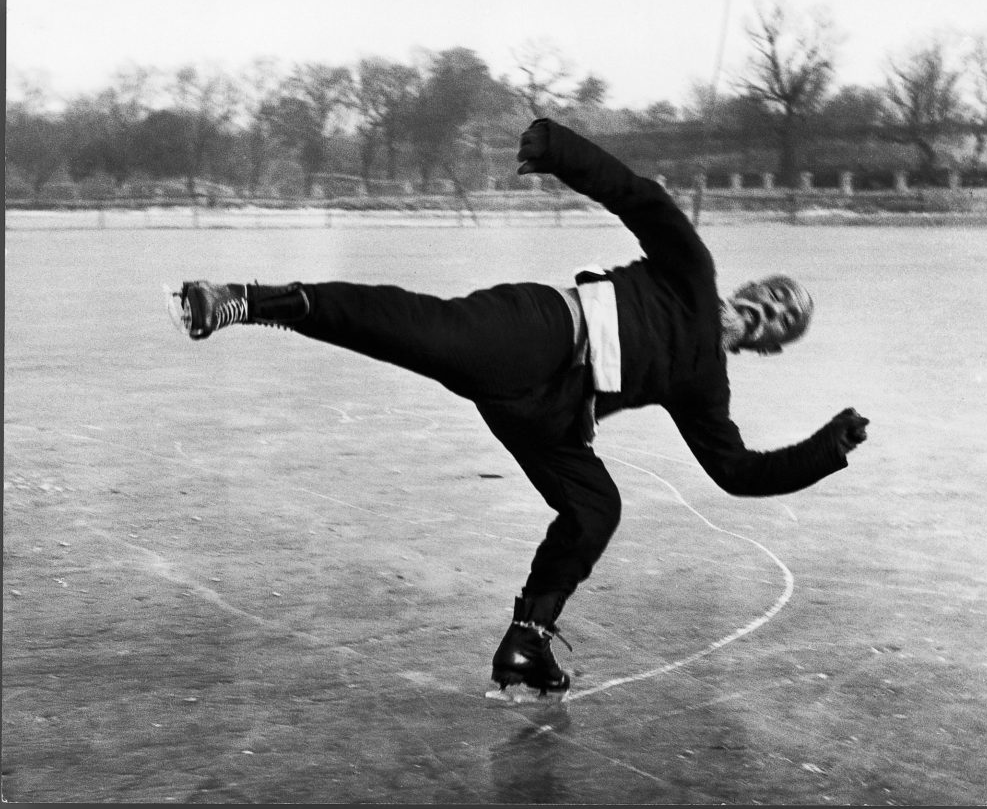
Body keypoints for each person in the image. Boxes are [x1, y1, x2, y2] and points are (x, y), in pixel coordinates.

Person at [171, 117, 869, 699]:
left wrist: (825, 448)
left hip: (553, 412)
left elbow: (737, 470)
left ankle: (525, 644)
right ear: (753, 285)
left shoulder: (705, 383)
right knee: (412, 327)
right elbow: (639, 197)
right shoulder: (694, 270)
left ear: (769, 345)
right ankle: (243, 300)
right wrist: (558, 149)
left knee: (595, 506)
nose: (771, 308)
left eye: (784, 319)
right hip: (538, 331)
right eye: (776, 293)